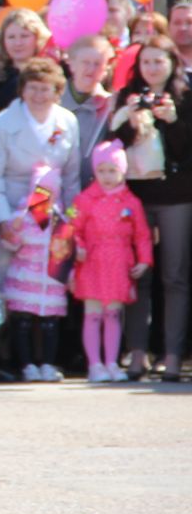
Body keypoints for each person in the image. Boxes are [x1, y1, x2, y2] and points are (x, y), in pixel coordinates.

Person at [109, 36, 192, 381]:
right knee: (137, 275)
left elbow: (187, 152)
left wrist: (173, 121)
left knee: (175, 276)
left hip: (177, 196)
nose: (153, 68)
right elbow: (111, 147)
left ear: (172, 63)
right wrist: (130, 118)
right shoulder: (128, 98)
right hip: (136, 196)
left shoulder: (185, 97)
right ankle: (137, 351)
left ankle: (173, 354)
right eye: (146, 62)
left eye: (159, 61)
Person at [0, 56, 82, 263]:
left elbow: (72, 177)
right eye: (32, 88)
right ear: (22, 90)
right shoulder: (1, 124)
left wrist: (72, 219)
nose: (38, 95)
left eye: (45, 89)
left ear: (57, 91)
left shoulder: (68, 121)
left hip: (52, 216)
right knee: (7, 280)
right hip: (12, 214)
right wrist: (2, 221)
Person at [67, 141, 152, 382]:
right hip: (92, 262)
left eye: (112, 170)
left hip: (118, 263)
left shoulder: (131, 202)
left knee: (114, 314)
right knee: (93, 313)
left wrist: (144, 260)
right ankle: (95, 364)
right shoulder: (83, 199)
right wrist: (79, 248)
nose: (106, 176)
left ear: (122, 171)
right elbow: (72, 228)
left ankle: (112, 362)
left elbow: (142, 234)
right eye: (101, 170)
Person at [0, 164, 70, 381]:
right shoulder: (24, 214)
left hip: (50, 280)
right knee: (22, 321)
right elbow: (11, 244)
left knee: (50, 323)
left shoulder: (60, 216)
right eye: (40, 190)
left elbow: (65, 248)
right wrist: (15, 228)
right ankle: (27, 365)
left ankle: (47, 364)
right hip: (26, 277)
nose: (44, 195)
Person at [0, 7, 51, 136]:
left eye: (24, 36)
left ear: (38, 38)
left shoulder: (51, 74)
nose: (18, 43)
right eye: (11, 37)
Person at [61, 32, 114, 155]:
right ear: (71, 64)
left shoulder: (109, 105)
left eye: (97, 64)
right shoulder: (53, 100)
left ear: (105, 69)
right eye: (85, 62)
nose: (91, 69)